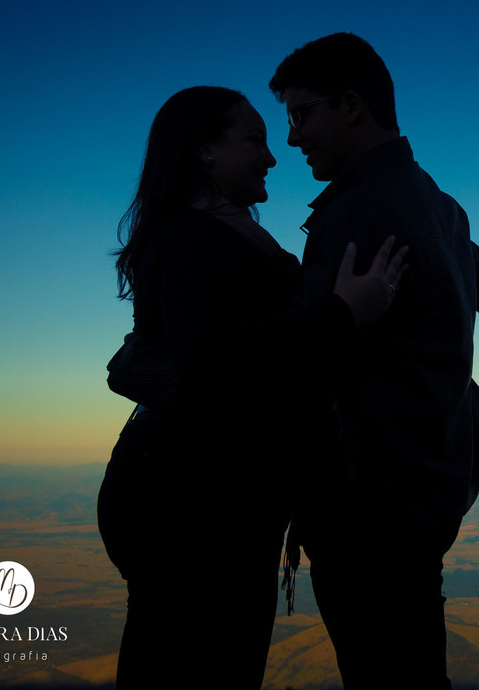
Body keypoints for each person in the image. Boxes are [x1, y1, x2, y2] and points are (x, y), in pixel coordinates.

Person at [97, 86, 406, 689]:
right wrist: (345, 313)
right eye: (255, 140)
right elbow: (212, 363)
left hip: (196, 496)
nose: (271, 156)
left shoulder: (212, 232)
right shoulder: (194, 238)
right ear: (203, 150)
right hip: (191, 508)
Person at [269, 33, 479, 689]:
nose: (293, 138)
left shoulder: (354, 215)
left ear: (351, 105)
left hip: (365, 511)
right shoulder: (438, 205)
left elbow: (304, 360)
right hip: (426, 498)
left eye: (301, 114)